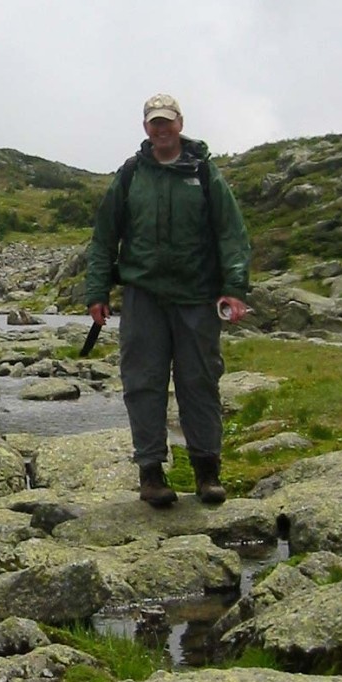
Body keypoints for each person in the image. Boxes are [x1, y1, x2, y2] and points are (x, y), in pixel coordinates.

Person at [85, 93, 251, 506]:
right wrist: (97, 293)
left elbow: (231, 234)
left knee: (199, 380)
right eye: (153, 123)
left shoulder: (205, 173)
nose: (161, 129)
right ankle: (151, 474)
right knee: (143, 382)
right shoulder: (129, 176)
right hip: (142, 297)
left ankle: (206, 472)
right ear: (146, 128)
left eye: (167, 122)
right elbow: (105, 238)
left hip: (196, 296)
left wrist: (235, 287)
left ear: (180, 123)